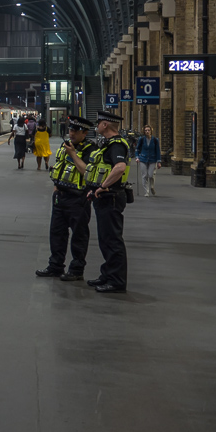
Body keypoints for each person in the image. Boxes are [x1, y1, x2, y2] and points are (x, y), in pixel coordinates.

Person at [36, 115, 95, 280]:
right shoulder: (65, 145)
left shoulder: (90, 149)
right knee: (56, 233)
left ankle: (76, 270)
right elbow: (60, 166)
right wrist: (56, 187)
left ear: (85, 132)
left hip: (78, 198)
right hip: (60, 196)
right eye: (70, 129)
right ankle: (55, 266)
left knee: (79, 235)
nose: (72, 133)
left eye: (76, 131)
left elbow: (88, 173)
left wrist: (74, 154)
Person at [86, 111, 131, 294]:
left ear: (105, 125)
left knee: (112, 240)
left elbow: (119, 167)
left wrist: (103, 185)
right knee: (105, 239)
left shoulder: (117, 145)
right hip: (105, 198)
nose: (97, 126)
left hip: (111, 197)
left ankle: (116, 281)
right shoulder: (109, 144)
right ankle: (107, 274)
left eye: (99, 123)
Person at [135, 125, 162, 197]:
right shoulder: (141, 139)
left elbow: (158, 151)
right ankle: (146, 191)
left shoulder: (155, 140)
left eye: (148, 130)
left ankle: (152, 187)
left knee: (151, 175)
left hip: (153, 159)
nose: (147, 131)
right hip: (143, 159)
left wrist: (159, 161)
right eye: (146, 130)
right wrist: (137, 157)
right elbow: (137, 149)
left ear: (151, 131)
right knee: (144, 175)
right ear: (144, 131)